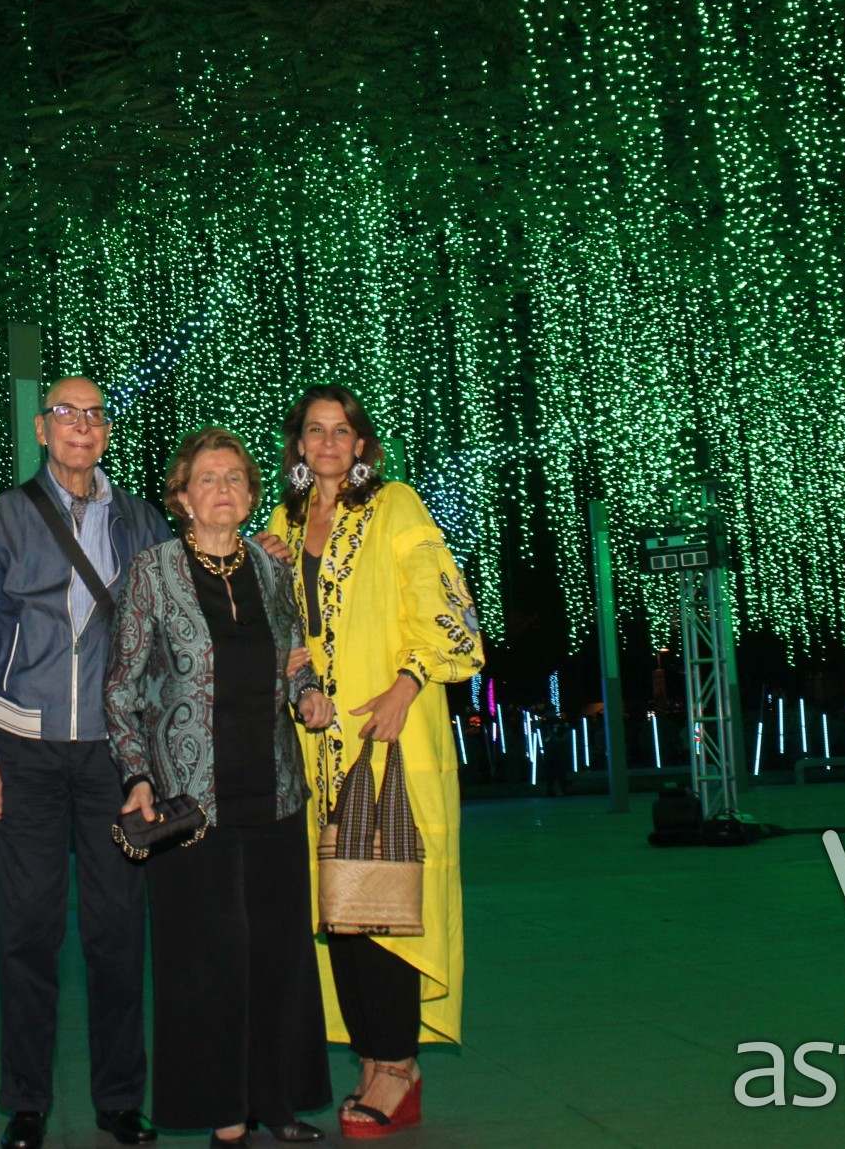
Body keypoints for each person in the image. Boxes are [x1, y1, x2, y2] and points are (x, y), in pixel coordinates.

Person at [259, 386, 487, 1140]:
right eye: (314, 431)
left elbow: (448, 608)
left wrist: (409, 680)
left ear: (361, 444)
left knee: (383, 902)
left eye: (342, 430)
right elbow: (264, 623)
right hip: (314, 748)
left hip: (388, 737)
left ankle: (398, 1068)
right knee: (341, 911)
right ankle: (373, 1058)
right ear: (298, 445)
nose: (327, 442)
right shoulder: (285, 523)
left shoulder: (395, 507)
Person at [104, 427, 336, 1148]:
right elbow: (123, 688)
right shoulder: (152, 572)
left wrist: (307, 692)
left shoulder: (272, 570)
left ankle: (279, 1100)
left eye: (235, 476)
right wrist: (138, 774)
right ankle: (224, 1107)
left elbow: (294, 653)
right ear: (180, 495)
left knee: (278, 952)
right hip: (189, 799)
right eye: (207, 478)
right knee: (205, 963)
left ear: (250, 492)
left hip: (273, 791)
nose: (223, 489)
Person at [0, 377, 172, 1149]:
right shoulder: (7, 516)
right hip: (26, 747)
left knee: (117, 931)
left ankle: (120, 1098)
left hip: (116, 756)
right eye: (65, 415)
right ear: (41, 429)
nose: (81, 427)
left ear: (105, 432)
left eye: (93, 416)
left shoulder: (142, 519)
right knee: (27, 929)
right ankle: (25, 1103)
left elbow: (168, 630)